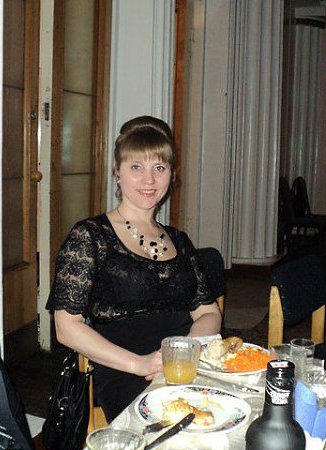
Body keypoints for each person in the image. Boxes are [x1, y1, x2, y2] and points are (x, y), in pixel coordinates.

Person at [46, 115, 222, 421]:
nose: (149, 180)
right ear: (117, 171)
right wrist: (140, 364)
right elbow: (66, 327)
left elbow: (208, 313)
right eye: (136, 167)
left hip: (184, 366)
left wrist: (184, 353)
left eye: (159, 168)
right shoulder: (90, 236)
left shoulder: (179, 240)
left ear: (172, 174)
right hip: (125, 371)